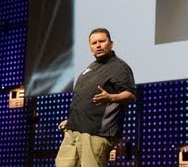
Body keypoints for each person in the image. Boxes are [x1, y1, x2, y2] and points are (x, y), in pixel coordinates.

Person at [55, 28, 136, 167]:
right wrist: (71, 120)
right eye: (94, 43)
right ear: (90, 47)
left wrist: (110, 97)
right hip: (73, 131)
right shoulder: (90, 68)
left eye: (102, 41)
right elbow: (84, 101)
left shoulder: (119, 67)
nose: (98, 45)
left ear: (111, 44)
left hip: (96, 133)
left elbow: (130, 95)